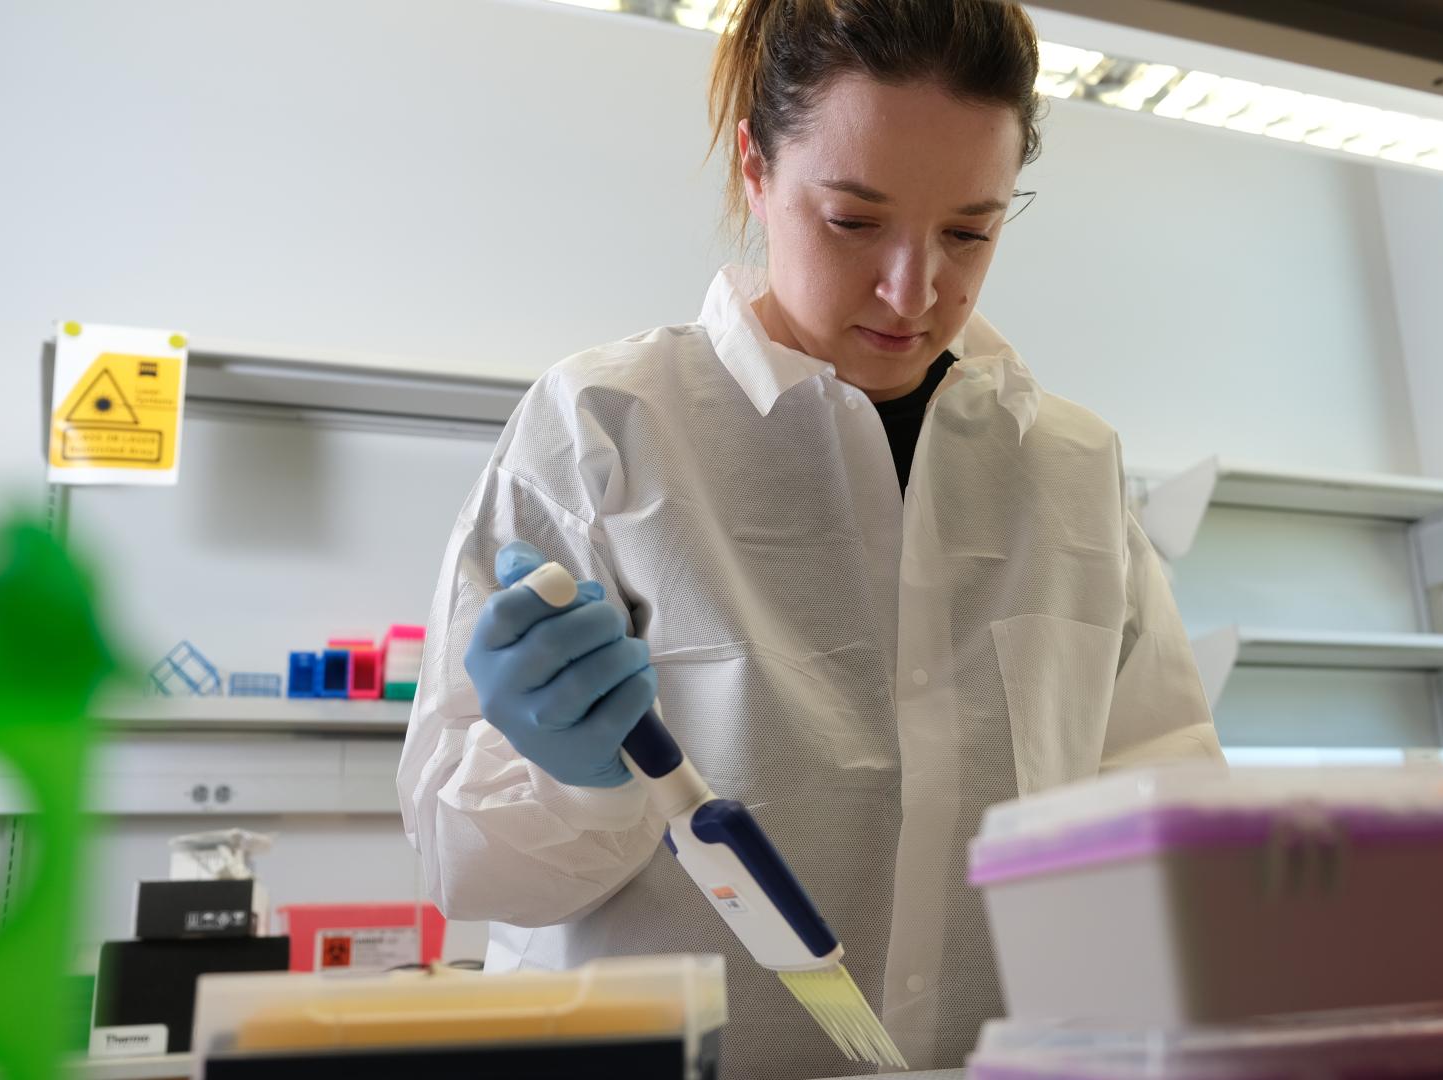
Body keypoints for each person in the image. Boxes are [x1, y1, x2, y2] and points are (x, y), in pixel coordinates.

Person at [396, 1, 1221, 1074]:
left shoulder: (1071, 468)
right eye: (853, 220)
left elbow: (1167, 820)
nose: (913, 291)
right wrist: (572, 777)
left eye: (969, 230)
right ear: (756, 168)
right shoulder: (606, 428)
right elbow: (472, 869)